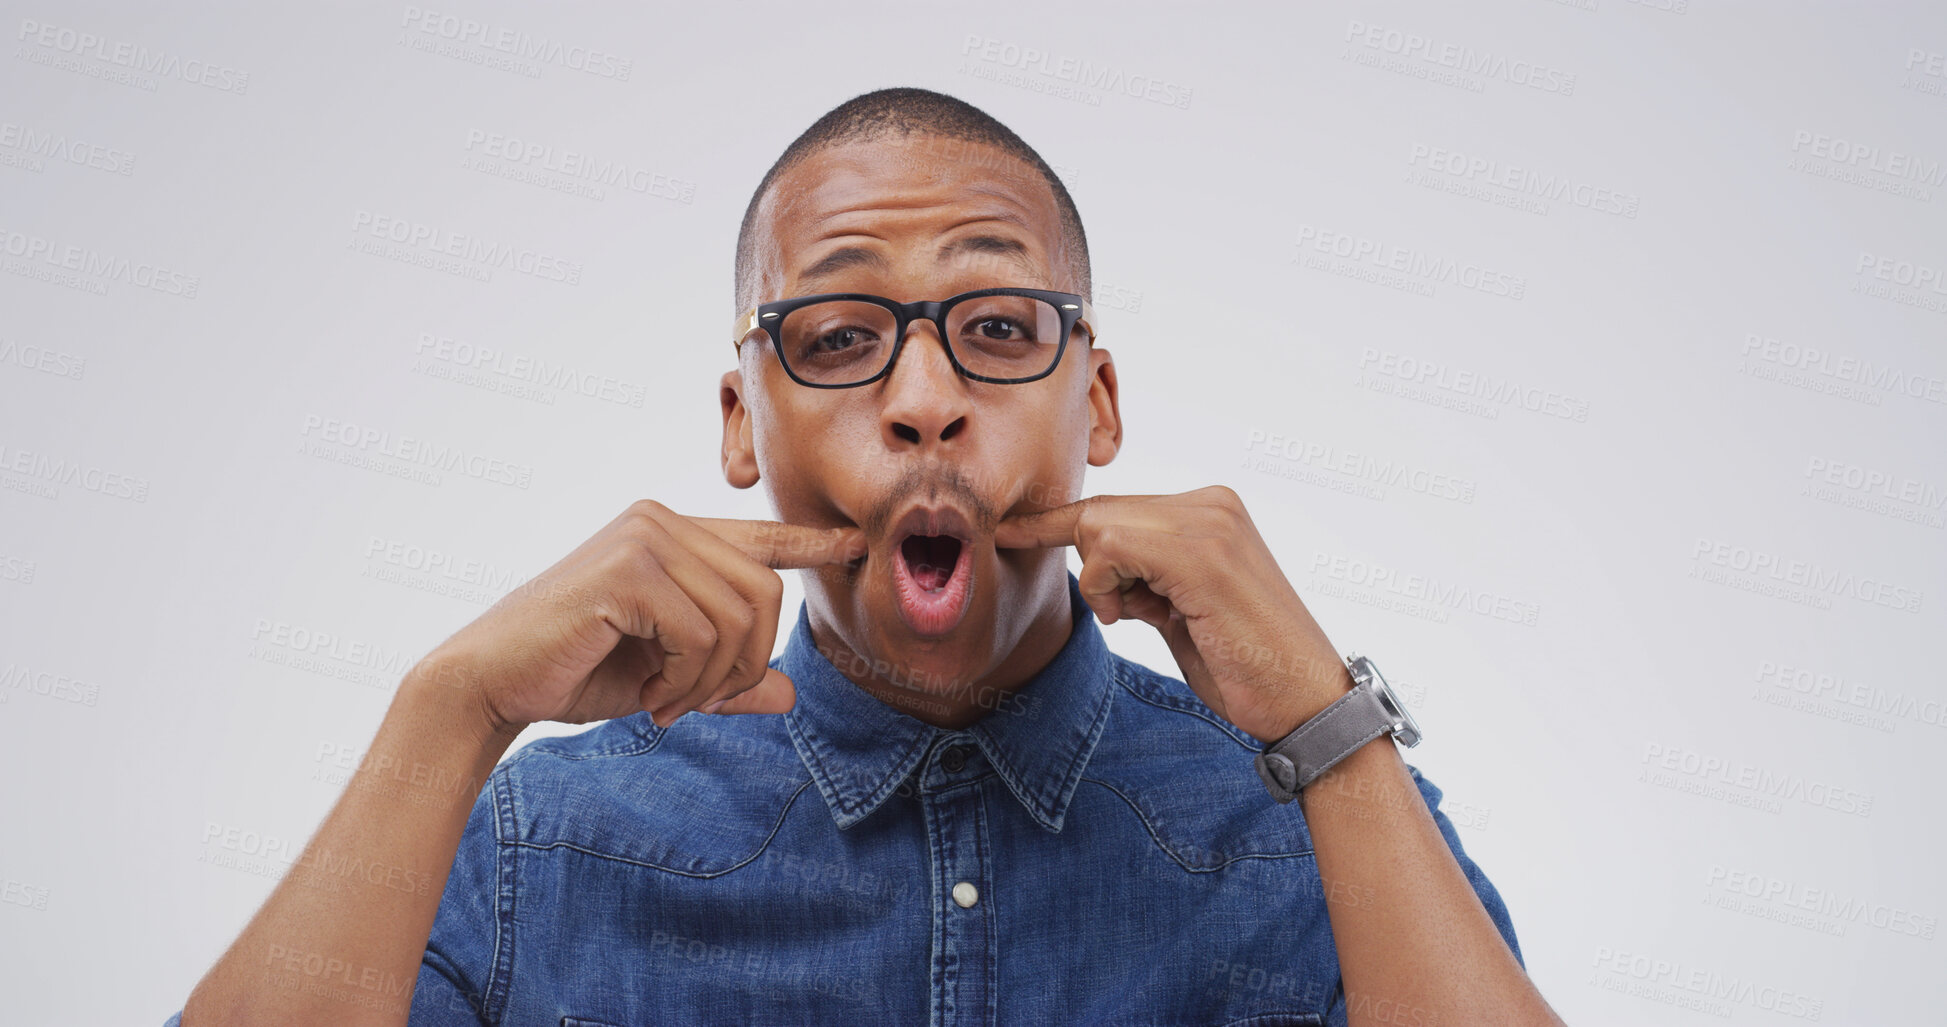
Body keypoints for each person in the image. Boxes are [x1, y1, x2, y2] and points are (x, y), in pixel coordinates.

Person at [170, 86, 1562, 1026]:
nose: (921, 399)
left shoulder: (1314, 826)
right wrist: (449, 710)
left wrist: (1335, 731)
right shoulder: (546, 842)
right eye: (838, 340)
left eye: (1001, 329)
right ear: (740, 423)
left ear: (1101, 406)